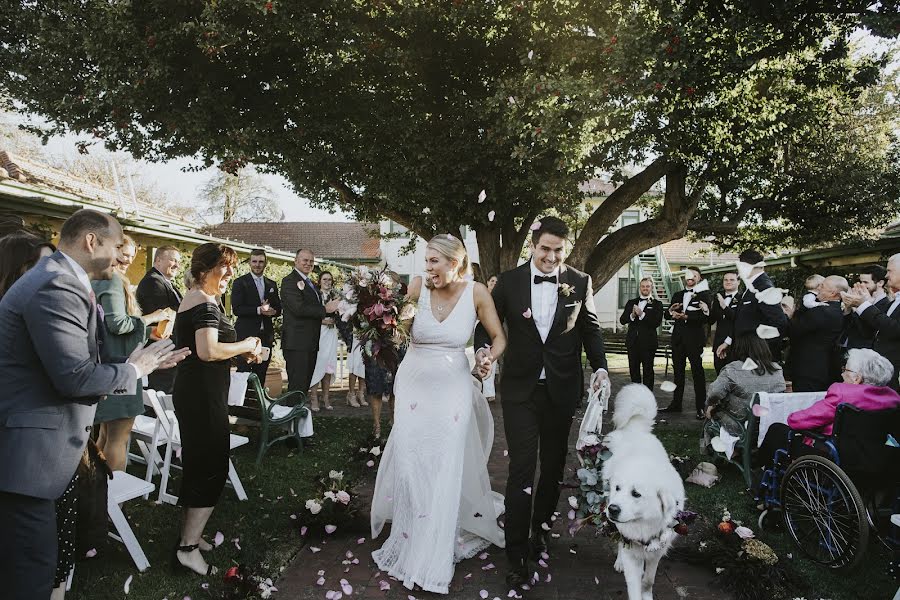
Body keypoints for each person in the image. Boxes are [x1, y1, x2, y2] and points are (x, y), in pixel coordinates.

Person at [0, 209, 187, 600]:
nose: (125, 256)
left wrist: (142, 362)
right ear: (91, 241)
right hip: (29, 459)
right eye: (118, 246)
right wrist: (135, 371)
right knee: (30, 574)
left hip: (42, 453)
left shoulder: (63, 278)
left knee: (37, 565)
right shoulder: (56, 284)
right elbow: (75, 378)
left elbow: (67, 365)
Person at [476, 216, 608, 589]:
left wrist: (599, 367)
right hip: (520, 389)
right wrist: (484, 350)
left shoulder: (580, 282)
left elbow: (591, 328)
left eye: (558, 250)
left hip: (561, 389)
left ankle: (541, 528)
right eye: (545, 248)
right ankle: (516, 555)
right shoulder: (509, 281)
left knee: (551, 467)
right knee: (521, 468)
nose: (551, 257)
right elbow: (487, 322)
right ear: (532, 246)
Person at [371, 233, 506, 594]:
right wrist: (387, 325)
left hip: (454, 387)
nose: (427, 267)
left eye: (434, 261)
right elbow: (398, 334)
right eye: (426, 260)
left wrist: (487, 357)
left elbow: (498, 337)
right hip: (414, 383)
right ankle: (412, 535)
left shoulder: (477, 292)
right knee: (414, 460)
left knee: (445, 462)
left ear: (455, 263)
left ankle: (436, 547)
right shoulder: (416, 286)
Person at [171, 243, 263, 577]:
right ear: (203, 268)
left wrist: (239, 353)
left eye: (231, 267)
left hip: (197, 392)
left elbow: (204, 351)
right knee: (211, 465)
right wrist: (247, 345)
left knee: (198, 462)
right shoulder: (203, 301)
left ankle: (189, 536)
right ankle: (187, 549)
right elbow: (208, 351)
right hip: (201, 395)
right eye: (224, 266)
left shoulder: (198, 298)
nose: (229, 274)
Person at [92, 235, 173, 471]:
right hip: (123, 368)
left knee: (105, 435)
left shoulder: (94, 280)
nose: (126, 260)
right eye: (123, 253)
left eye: (131, 256)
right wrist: (155, 317)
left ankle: (96, 494)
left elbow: (112, 327)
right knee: (119, 438)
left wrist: (148, 333)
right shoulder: (112, 281)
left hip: (104, 366)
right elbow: (117, 324)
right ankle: (114, 500)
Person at [756, 348, 900, 477]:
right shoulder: (893, 398)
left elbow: (797, 421)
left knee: (777, 430)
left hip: (834, 456)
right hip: (873, 457)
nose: (842, 374)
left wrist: (792, 416)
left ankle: (757, 474)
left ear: (857, 378)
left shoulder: (843, 393)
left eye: (846, 370)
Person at [701, 335, 785, 452]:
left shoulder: (733, 369)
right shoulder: (776, 369)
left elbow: (714, 393)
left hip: (741, 425)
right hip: (769, 424)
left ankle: (712, 449)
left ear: (740, 349)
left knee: (711, 411)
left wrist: (710, 405)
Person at [281, 249, 341, 404]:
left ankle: (298, 422)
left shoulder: (311, 284)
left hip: (310, 343)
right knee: (296, 386)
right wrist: (325, 309)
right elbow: (298, 309)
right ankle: (291, 424)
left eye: (311, 261)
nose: (308, 264)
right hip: (297, 343)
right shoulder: (289, 281)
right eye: (305, 260)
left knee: (303, 386)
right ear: (296, 261)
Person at [717, 249, 788, 363]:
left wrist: (761, 350)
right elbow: (743, 319)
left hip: (758, 358)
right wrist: (729, 342)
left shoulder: (764, 287)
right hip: (744, 353)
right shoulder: (751, 286)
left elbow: (779, 322)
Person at [842, 253, 900, 391]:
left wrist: (864, 305)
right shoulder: (895, 300)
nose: (886, 276)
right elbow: (873, 331)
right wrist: (858, 306)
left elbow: (895, 329)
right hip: (884, 374)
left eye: (890, 271)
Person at [662, 267, 712, 418]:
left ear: (699, 278)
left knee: (697, 372)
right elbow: (667, 315)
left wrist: (687, 318)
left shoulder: (704, 295)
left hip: (694, 339)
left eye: (694, 275)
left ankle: (701, 407)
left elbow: (706, 318)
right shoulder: (678, 294)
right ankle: (676, 404)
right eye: (688, 275)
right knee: (678, 373)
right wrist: (671, 310)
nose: (690, 278)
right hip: (678, 339)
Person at [784, 275, 847, 392]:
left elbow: (793, 330)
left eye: (822, 286)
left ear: (832, 293)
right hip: (826, 368)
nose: (818, 288)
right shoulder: (837, 310)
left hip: (809, 370)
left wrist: (790, 315)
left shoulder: (822, 311)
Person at [136, 245, 183, 393]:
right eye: (172, 260)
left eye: (178, 261)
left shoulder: (168, 283)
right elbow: (165, 316)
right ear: (157, 261)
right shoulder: (153, 282)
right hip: (161, 349)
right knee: (161, 393)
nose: (177, 265)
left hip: (169, 349)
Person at [231, 249, 282, 384]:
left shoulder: (271, 284)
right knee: (243, 372)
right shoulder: (240, 282)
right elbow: (237, 309)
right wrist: (259, 310)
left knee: (261, 373)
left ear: (265, 264)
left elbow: (278, 308)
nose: (257, 265)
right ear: (250, 262)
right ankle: (240, 404)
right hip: (246, 335)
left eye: (261, 262)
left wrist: (273, 311)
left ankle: (256, 404)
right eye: (254, 261)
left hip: (266, 335)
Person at [619, 277, 664, 388]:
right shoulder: (631, 302)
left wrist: (642, 314)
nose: (645, 288)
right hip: (633, 343)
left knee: (648, 371)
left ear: (651, 288)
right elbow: (622, 320)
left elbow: (656, 323)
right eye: (643, 286)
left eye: (647, 286)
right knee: (634, 372)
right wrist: (632, 315)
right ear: (640, 288)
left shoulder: (657, 304)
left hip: (648, 344)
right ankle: (636, 397)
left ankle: (647, 399)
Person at [309, 271, 342, 410]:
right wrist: (322, 321)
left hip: (331, 333)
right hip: (319, 333)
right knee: (318, 365)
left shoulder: (336, 296)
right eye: (325, 279)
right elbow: (310, 314)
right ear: (320, 281)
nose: (327, 282)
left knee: (329, 366)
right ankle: (313, 398)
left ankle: (326, 398)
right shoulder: (314, 295)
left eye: (330, 280)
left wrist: (336, 319)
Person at [842, 264, 890, 350]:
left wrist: (859, 307)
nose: (861, 285)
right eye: (861, 282)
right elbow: (848, 326)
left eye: (865, 282)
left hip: (865, 353)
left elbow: (868, 333)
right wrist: (848, 308)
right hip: (849, 348)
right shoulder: (859, 298)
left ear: (880, 283)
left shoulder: (886, 304)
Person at [711, 271, 741, 373]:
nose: (728, 282)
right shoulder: (718, 298)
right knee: (720, 376)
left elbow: (737, 320)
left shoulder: (742, 299)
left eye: (732, 280)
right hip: (718, 344)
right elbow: (712, 320)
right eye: (726, 280)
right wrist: (706, 310)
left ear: (738, 282)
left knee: (734, 378)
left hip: (735, 345)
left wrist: (724, 306)